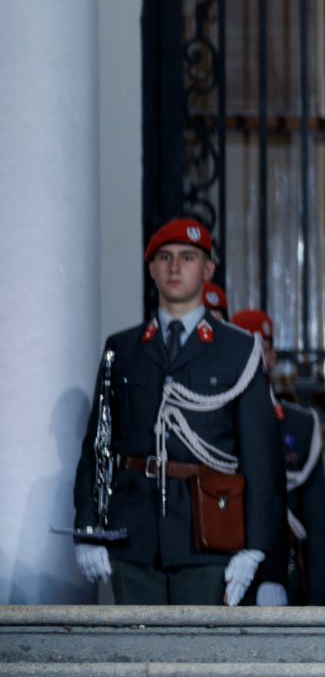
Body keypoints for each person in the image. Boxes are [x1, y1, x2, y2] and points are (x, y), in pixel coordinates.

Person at [72, 217, 283, 605]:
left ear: (207, 269)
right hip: (133, 532)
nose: (174, 267)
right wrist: (88, 527)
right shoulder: (123, 348)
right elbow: (98, 447)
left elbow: (260, 459)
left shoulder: (238, 350)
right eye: (165, 257)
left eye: (188, 257)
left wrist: (255, 547)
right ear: (151, 269)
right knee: (135, 657)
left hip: (208, 533)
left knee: (198, 659)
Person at [234, 307, 325, 606]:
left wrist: (318, 604)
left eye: (260, 349)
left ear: (273, 356)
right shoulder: (213, 423)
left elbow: (316, 526)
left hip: (283, 575)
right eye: (243, 350)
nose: (254, 359)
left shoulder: (299, 425)